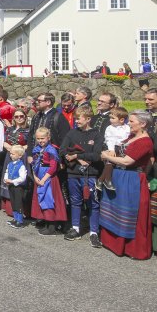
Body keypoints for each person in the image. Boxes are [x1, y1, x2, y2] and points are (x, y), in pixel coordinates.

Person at [100, 110, 154, 260]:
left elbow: (127, 161)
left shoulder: (144, 141)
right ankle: (113, 243)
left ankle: (130, 248)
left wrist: (105, 155)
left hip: (131, 178)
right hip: (119, 175)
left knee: (129, 212)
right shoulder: (131, 136)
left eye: (131, 121)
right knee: (115, 208)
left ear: (143, 124)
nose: (128, 124)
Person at [59, 106, 104, 248]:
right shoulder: (72, 133)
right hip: (74, 173)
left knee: (93, 203)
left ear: (88, 119)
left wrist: (77, 155)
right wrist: (77, 160)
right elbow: (62, 150)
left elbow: (97, 155)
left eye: (79, 118)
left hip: (91, 174)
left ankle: (94, 233)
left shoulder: (97, 134)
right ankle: (76, 228)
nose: (76, 121)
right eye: (76, 118)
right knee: (75, 201)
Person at [30, 128, 67, 236]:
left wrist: (43, 179)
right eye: (38, 138)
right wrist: (35, 176)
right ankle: (45, 221)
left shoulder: (51, 149)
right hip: (39, 175)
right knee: (41, 199)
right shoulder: (36, 149)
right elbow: (34, 164)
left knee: (49, 199)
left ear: (48, 138)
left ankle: (52, 226)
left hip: (49, 177)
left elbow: (53, 167)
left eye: (43, 138)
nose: (40, 140)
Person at [0, 110, 30, 217]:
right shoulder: (10, 129)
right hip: (10, 155)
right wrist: (11, 148)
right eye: (16, 116)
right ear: (13, 118)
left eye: (21, 116)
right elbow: (3, 141)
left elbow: (30, 144)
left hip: (22, 156)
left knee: (18, 179)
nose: (19, 118)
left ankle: (21, 209)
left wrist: (19, 149)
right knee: (8, 176)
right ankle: (9, 207)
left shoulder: (28, 130)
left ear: (25, 117)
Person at [96, 107, 130, 191]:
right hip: (112, 147)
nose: (110, 120)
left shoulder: (127, 128)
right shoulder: (109, 128)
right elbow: (109, 139)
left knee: (112, 161)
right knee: (111, 160)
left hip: (124, 147)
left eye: (113, 118)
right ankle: (107, 180)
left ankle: (101, 180)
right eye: (110, 117)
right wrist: (111, 149)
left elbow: (128, 138)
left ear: (121, 120)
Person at [3, 145, 28, 229]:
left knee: (18, 203)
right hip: (11, 186)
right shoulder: (10, 164)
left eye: (13, 154)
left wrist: (13, 181)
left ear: (19, 156)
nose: (11, 155)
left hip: (18, 187)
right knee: (13, 202)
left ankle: (20, 221)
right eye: (10, 153)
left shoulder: (21, 165)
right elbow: (6, 172)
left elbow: (22, 178)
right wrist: (6, 179)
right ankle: (15, 218)